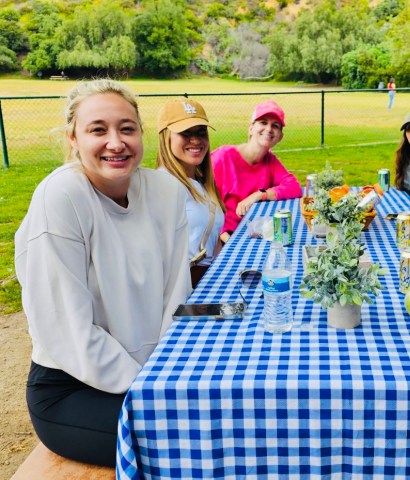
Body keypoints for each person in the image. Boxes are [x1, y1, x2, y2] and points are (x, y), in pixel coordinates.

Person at [14, 79, 191, 466]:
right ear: (73, 139)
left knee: (217, 420)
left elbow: (175, 297)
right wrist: (146, 388)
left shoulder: (166, 192)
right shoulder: (62, 195)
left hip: (150, 375)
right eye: (98, 129)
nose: (116, 142)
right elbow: (65, 329)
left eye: (126, 128)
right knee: (189, 442)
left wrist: (165, 379)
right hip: (72, 387)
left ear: (141, 134)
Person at [156, 98, 225, 288]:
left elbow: (213, 240)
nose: (195, 140)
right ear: (165, 136)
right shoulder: (164, 186)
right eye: (185, 133)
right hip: (185, 290)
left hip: (209, 281)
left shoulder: (200, 181)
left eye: (201, 132)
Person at [211, 100, 302, 243]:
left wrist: (260, 195)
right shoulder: (222, 158)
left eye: (275, 126)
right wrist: (227, 241)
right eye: (263, 122)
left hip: (253, 233)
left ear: (280, 137)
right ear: (251, 128)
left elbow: (294, 187)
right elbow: (205, 206)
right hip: (223, 238)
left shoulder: (270, 161)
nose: (269, 129)